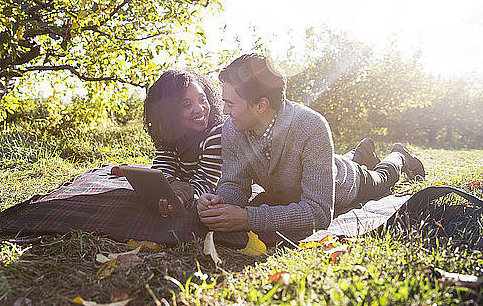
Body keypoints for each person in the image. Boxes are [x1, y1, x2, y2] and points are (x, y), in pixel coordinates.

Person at [197, 54, 425, 233]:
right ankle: (361, 150)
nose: (225, 111)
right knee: (333, 161)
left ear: (261, 105)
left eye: (230, 104)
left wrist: (248, 218)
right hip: (322, 166)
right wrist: (220, 202)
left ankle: (399, 156)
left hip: (347, 184)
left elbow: (318, 213)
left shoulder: (312, 125)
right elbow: (234, 184)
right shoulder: (231, 129)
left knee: (382, 178)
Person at [144, 69, 225, 216]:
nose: (199, 109)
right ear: (170, 112)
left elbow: (207, 182)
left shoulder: (217, 133)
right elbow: (162, 169)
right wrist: (174, 185)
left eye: (202, 99)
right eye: (187, 104)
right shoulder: (171, 134)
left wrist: (182, 198)